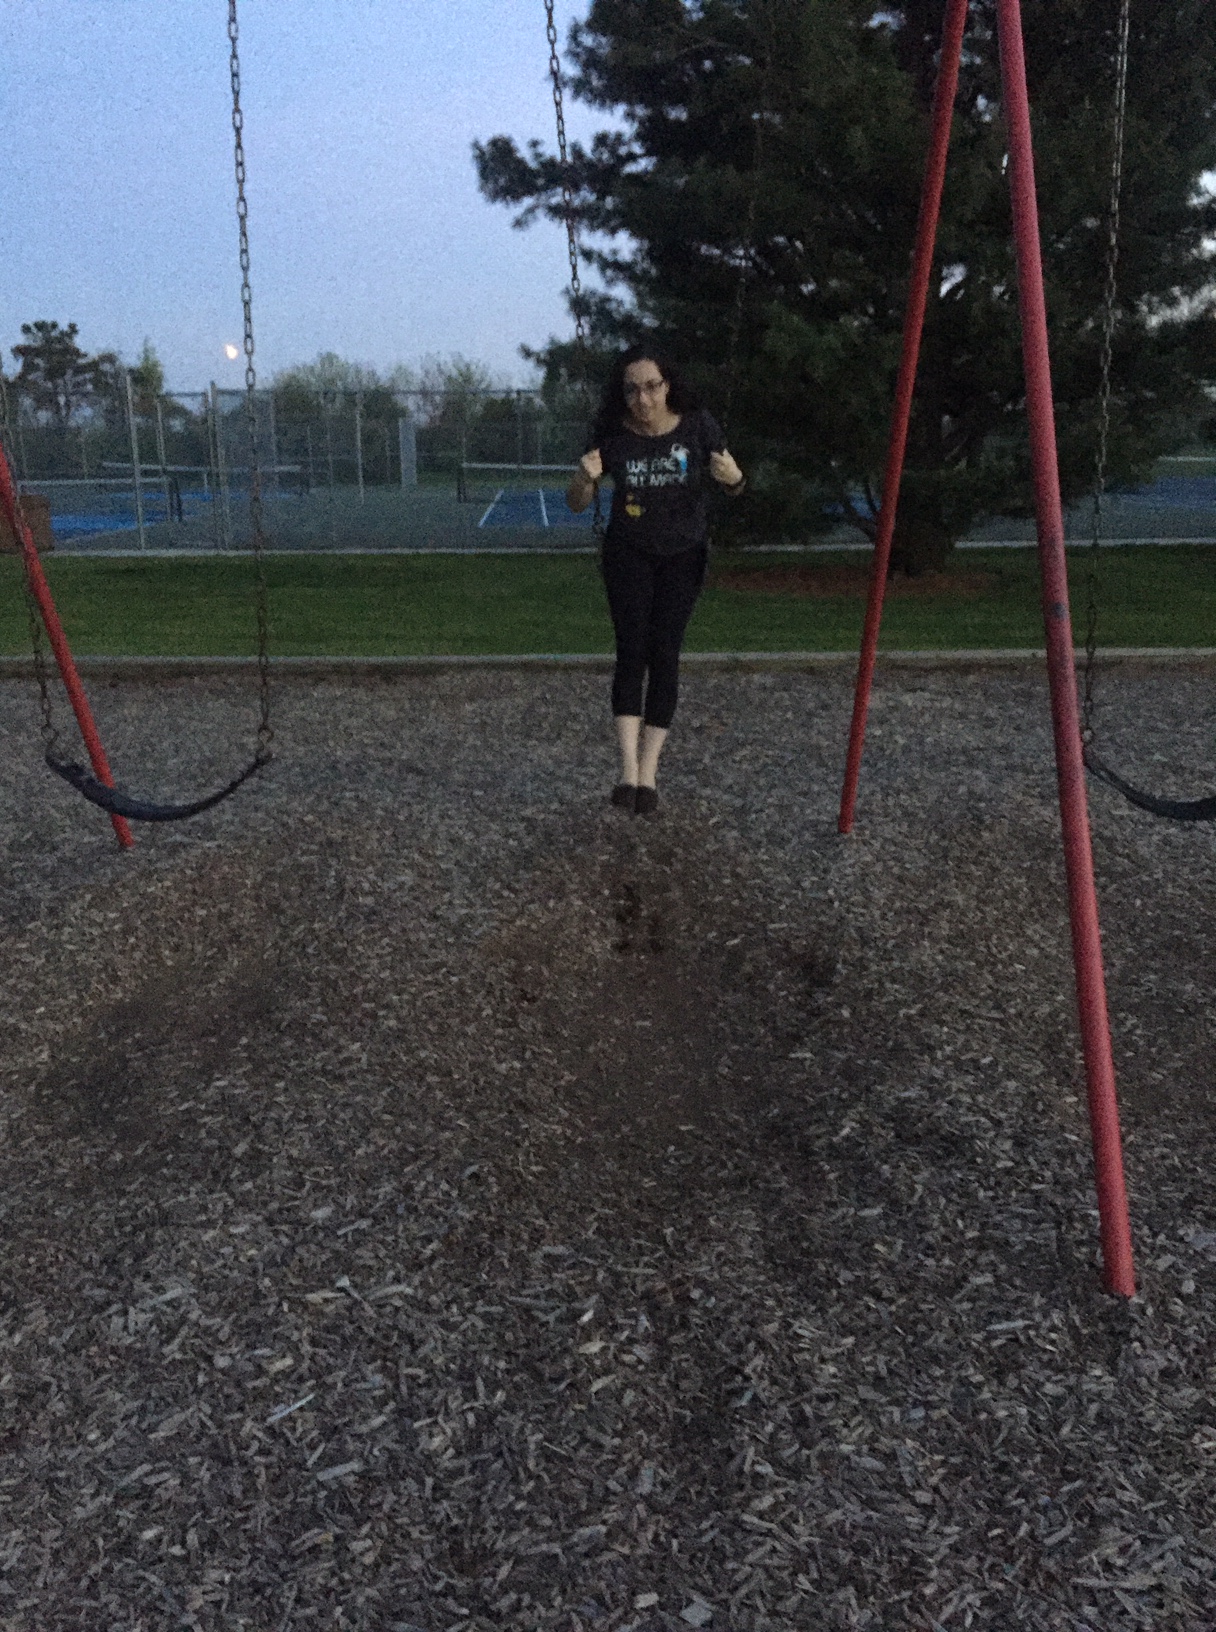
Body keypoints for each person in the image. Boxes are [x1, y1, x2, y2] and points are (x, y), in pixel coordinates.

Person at [566, 345, 745, 815]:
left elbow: (733, 484)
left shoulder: (697, 425)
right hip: (628, 554)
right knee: (631, 651)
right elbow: (577, 503)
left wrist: (734, 477)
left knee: (665, 653)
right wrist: (584, 478)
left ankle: (649, 771)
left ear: (668, 385)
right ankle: (627, 771)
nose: (642, 399)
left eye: (651, 387)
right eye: (631, 390)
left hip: (683, 555)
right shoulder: (612, 433)